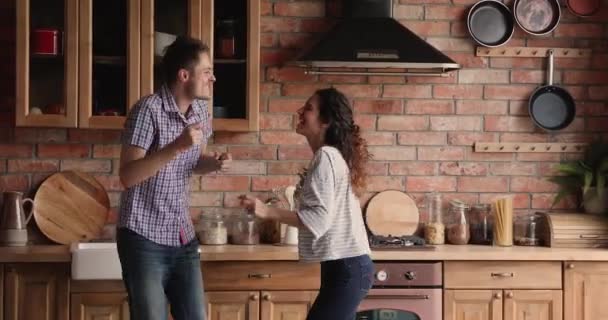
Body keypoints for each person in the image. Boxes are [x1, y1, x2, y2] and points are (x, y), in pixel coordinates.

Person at [117, 36, 231, 320]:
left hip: (181, 235)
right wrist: (176, 146)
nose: (213, 78)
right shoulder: (148, 110)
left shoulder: (201, 113)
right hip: (143, 237)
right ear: (184, 75)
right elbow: (128, 175)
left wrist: (213, 164)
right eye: (206, 71)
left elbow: (191, 163)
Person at [239, 87, 373, 320]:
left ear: (325, 121)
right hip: (347, 267)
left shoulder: (326, 157)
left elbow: (318, 221)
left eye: (309, 108)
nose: (301, 112)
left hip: (347, 269)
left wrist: (266, 210)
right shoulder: (331, 156)